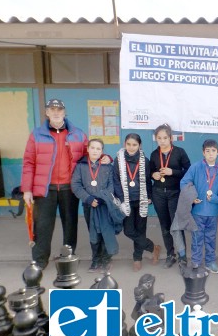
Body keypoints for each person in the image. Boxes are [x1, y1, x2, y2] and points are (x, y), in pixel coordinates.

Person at [21, 98, 109, 269]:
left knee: (70, 224)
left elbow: (90, 154)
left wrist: (106, 158)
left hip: (70, 188)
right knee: (43, 226)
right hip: (45, 190)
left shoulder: (78, 134)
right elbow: (28, 162)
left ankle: (67, 255)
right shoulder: (37, 135)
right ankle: (39, 261)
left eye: (59, 110)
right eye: (52, 109)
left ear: (64, 112)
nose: (56, 113)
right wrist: (27, 190)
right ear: (46, 112)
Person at [71, 139, 121, 273]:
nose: (95, 151)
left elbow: (112, 185)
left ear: (102, 151)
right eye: (92, 148)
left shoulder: (107, 167)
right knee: (93, 232)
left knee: (105, 231)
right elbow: (75, 185)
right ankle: (95, 258)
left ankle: (106, 258)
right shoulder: (81, 166)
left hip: (104, 205)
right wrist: (88, 198)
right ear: (87, 149)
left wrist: (104, 198)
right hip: (89, 205)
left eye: (98, 149)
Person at [114, 133, 161, 272]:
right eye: (128, 144)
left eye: (134, 145)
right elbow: (116, 181)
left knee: (140, 230)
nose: (131, 147)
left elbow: (147, 180)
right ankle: (153, 247)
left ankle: (137, 258)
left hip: (141, 200)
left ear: (139, 145)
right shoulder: (118, 160)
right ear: (124, 144)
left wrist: (149, 196)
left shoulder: (144, 160)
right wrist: (121, 199)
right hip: (126, 201)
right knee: (129, 231)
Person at [180, 139, 218, 274]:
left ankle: (210, 262)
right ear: (203, 152)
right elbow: (184, 182)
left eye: (213, 151)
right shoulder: (195, 167)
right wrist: (192, 197)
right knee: (196, 237)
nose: (210, 154)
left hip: (213, 211)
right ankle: (196, 262)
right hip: (198, 211)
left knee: (211, 237)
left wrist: (216, 198)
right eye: (207, 151)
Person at [150, 123, 191, 269]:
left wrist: (172, 172)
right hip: (158, 194)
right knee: (165, 225)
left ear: (171, 138)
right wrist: (153, 174)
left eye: (165, 138)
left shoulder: (179, 152)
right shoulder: (154, 154)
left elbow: (188, 171)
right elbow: (151, 172)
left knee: (176, 225)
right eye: (159, 138)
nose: (162, 141)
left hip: (175, 193)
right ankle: (170, 254)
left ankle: (182, 256)